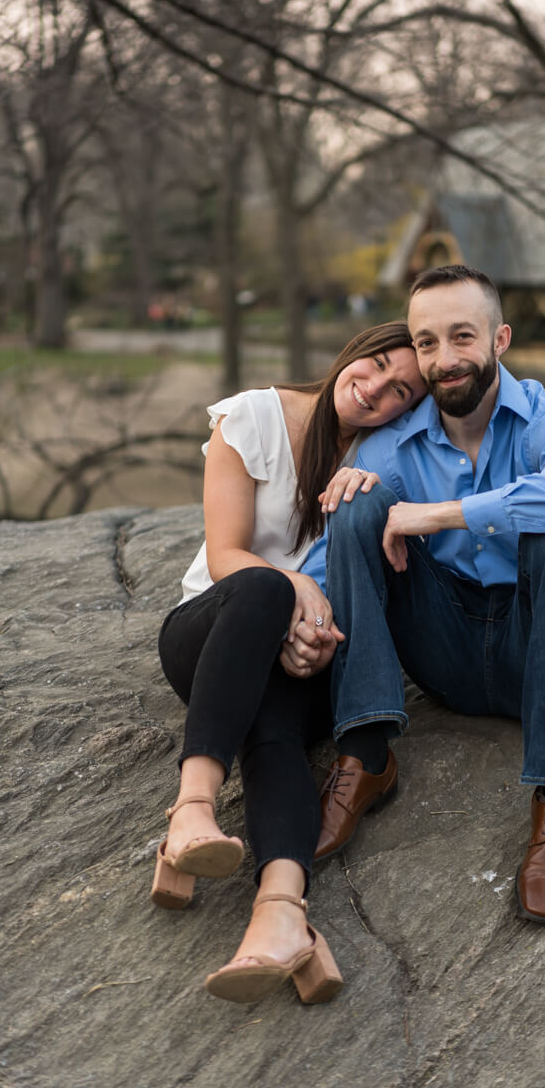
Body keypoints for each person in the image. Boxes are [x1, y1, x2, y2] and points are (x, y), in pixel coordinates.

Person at [302, 264, 545, 925]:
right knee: (357, 505)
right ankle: (365, 754)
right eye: (426, 343)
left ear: (499, 339)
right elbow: (338, 556)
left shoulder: (544, 418)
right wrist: (296, 605)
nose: (445, 360)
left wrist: (443, 513)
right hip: (448, 653)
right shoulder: (392, 443)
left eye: (462, 337)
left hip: (543, 653)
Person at [153, 322, 427, 1004]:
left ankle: (283, 917)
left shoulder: (378, 458)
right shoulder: (252, 417)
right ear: (357, 348)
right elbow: (225, 558)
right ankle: (193, 810)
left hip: (302, 661)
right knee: (266, 586)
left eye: (400, 393)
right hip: (217, 629)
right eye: (379, 364)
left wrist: (313, 639)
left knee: (275, 738)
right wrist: (298, 589)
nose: (376, 391)